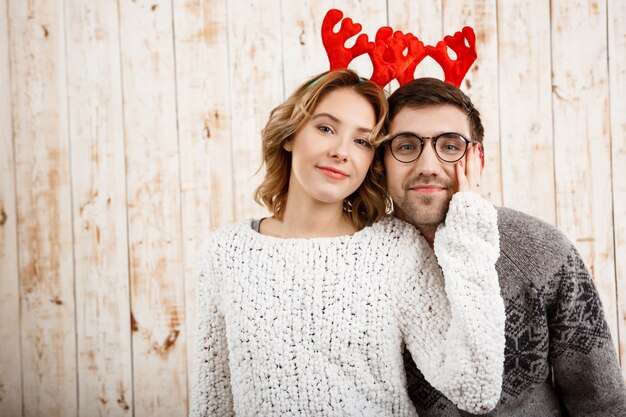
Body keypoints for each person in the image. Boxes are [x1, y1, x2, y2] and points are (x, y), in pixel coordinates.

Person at [190, 69, 506, 416]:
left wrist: (469, 217)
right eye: (326, 128)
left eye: (362, 141)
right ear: (291, 134)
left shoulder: (396, 250)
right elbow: (212, 403)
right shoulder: (225, 253)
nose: (342, 152)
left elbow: (476, 387)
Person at [382, 77, 626, 416]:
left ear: (477, 158)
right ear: (381, 161)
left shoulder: (543, 252)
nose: (428, 167)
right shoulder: (358, 263)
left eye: (450, 146)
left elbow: (601, 402)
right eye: (406, 146)